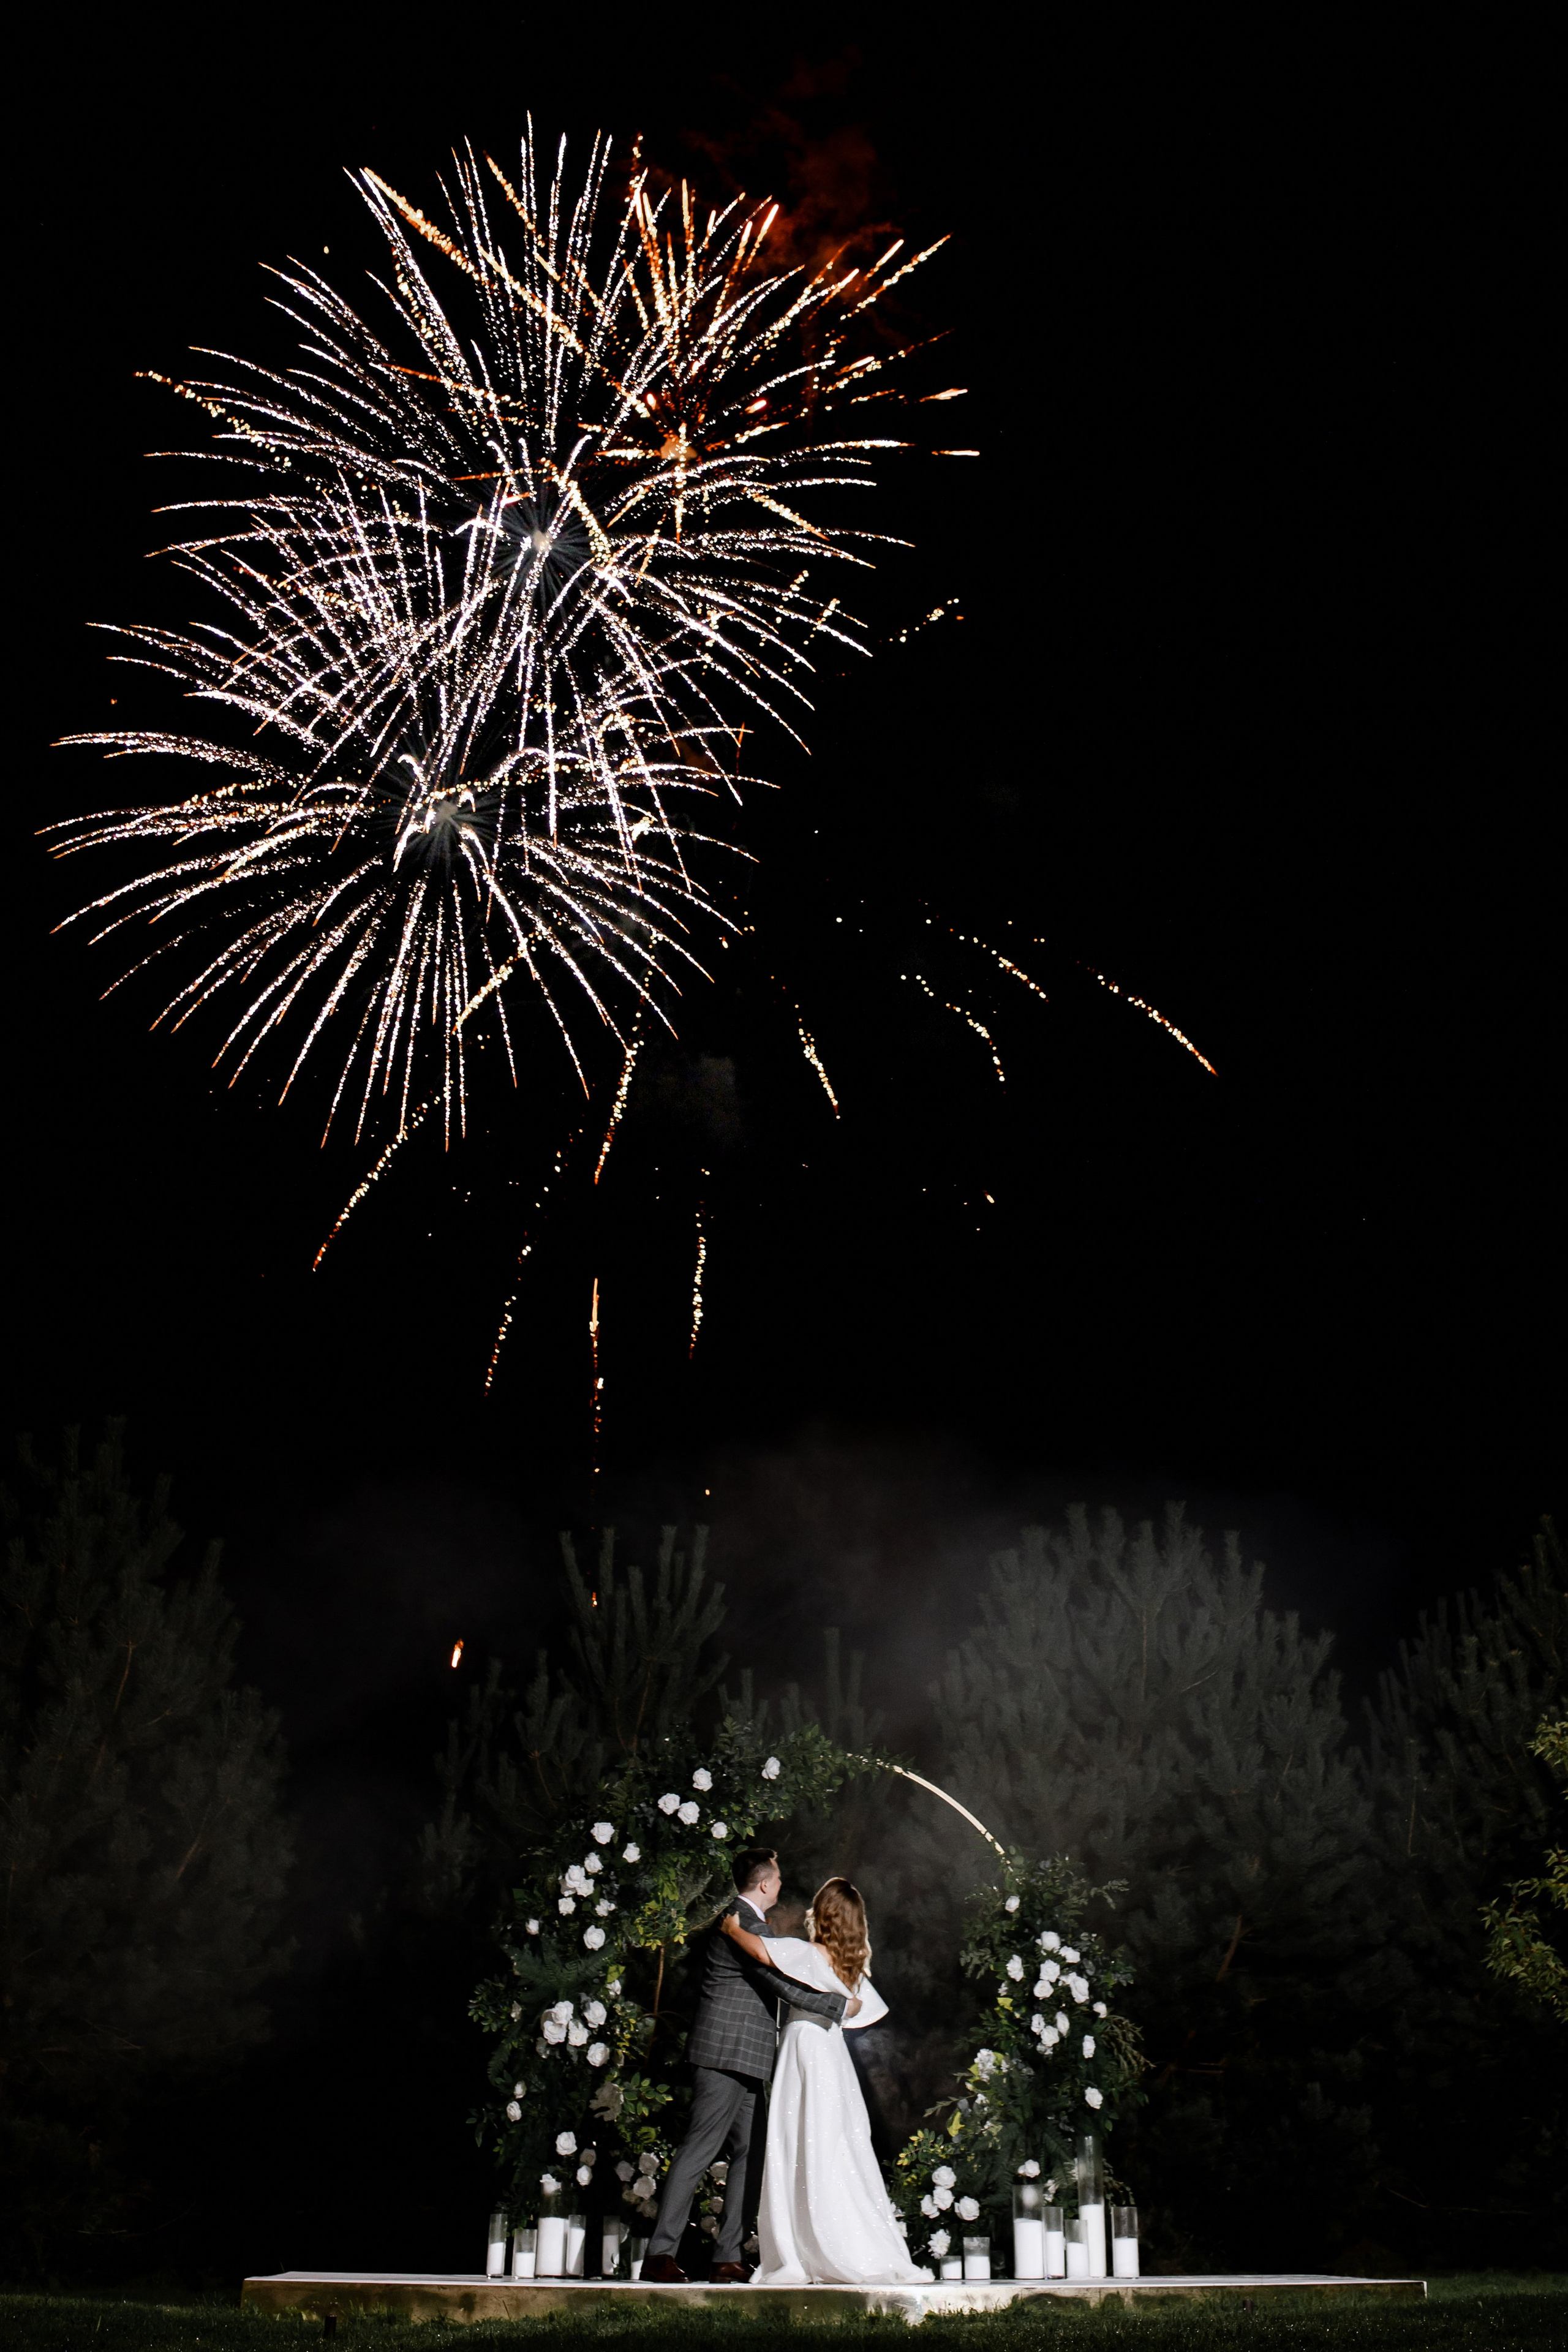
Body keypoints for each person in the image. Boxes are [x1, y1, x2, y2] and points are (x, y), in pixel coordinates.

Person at [641, 1845, 861, 2285]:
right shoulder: (741, 1923)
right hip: (724, 2055)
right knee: (700, 2149)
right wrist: (841, 2006)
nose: (780, 1884)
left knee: (753, 2153)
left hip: (744, 2059)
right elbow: (780, 1982)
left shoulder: (748, 1923)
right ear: (764, 1884)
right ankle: (660, 2253)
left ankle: (728, 2256)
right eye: (777, 1879)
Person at [721, 1875, 931, 2285]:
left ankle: (805, 2248)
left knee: (800, 2139)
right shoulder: (851, 1966)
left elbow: (762, 1952)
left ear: (823, 1916)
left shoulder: (812, 1955)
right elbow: (855, 2010)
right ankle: (847, 2241)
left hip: (806, 2048)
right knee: (835, 2143)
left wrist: (732, 1929)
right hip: (833, 2055)